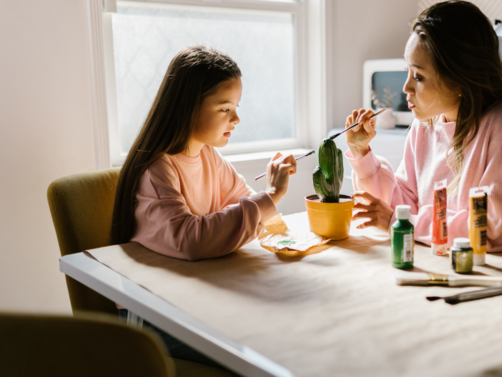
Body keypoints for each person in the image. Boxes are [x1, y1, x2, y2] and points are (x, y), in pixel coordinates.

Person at [109, 46, 296, 366]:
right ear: (187, 108)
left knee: (284, 326)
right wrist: (272, 196)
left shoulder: (209, 156)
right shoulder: (158, 170)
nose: (236, 118)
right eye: (225, 109)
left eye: (236, 107)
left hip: (195, 299)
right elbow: (191, 239)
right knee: (266, 352)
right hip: (155, 316)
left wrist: (287, 241)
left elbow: (246, 200)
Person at [345, 0, 502, 251]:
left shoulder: (497, 127)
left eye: (418, 76)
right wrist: (363, 155)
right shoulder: (424, 127)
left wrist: (401, 222)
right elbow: (405, 204)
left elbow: (491, 226)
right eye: (406, 71)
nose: (405, 87)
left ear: (460, 78)